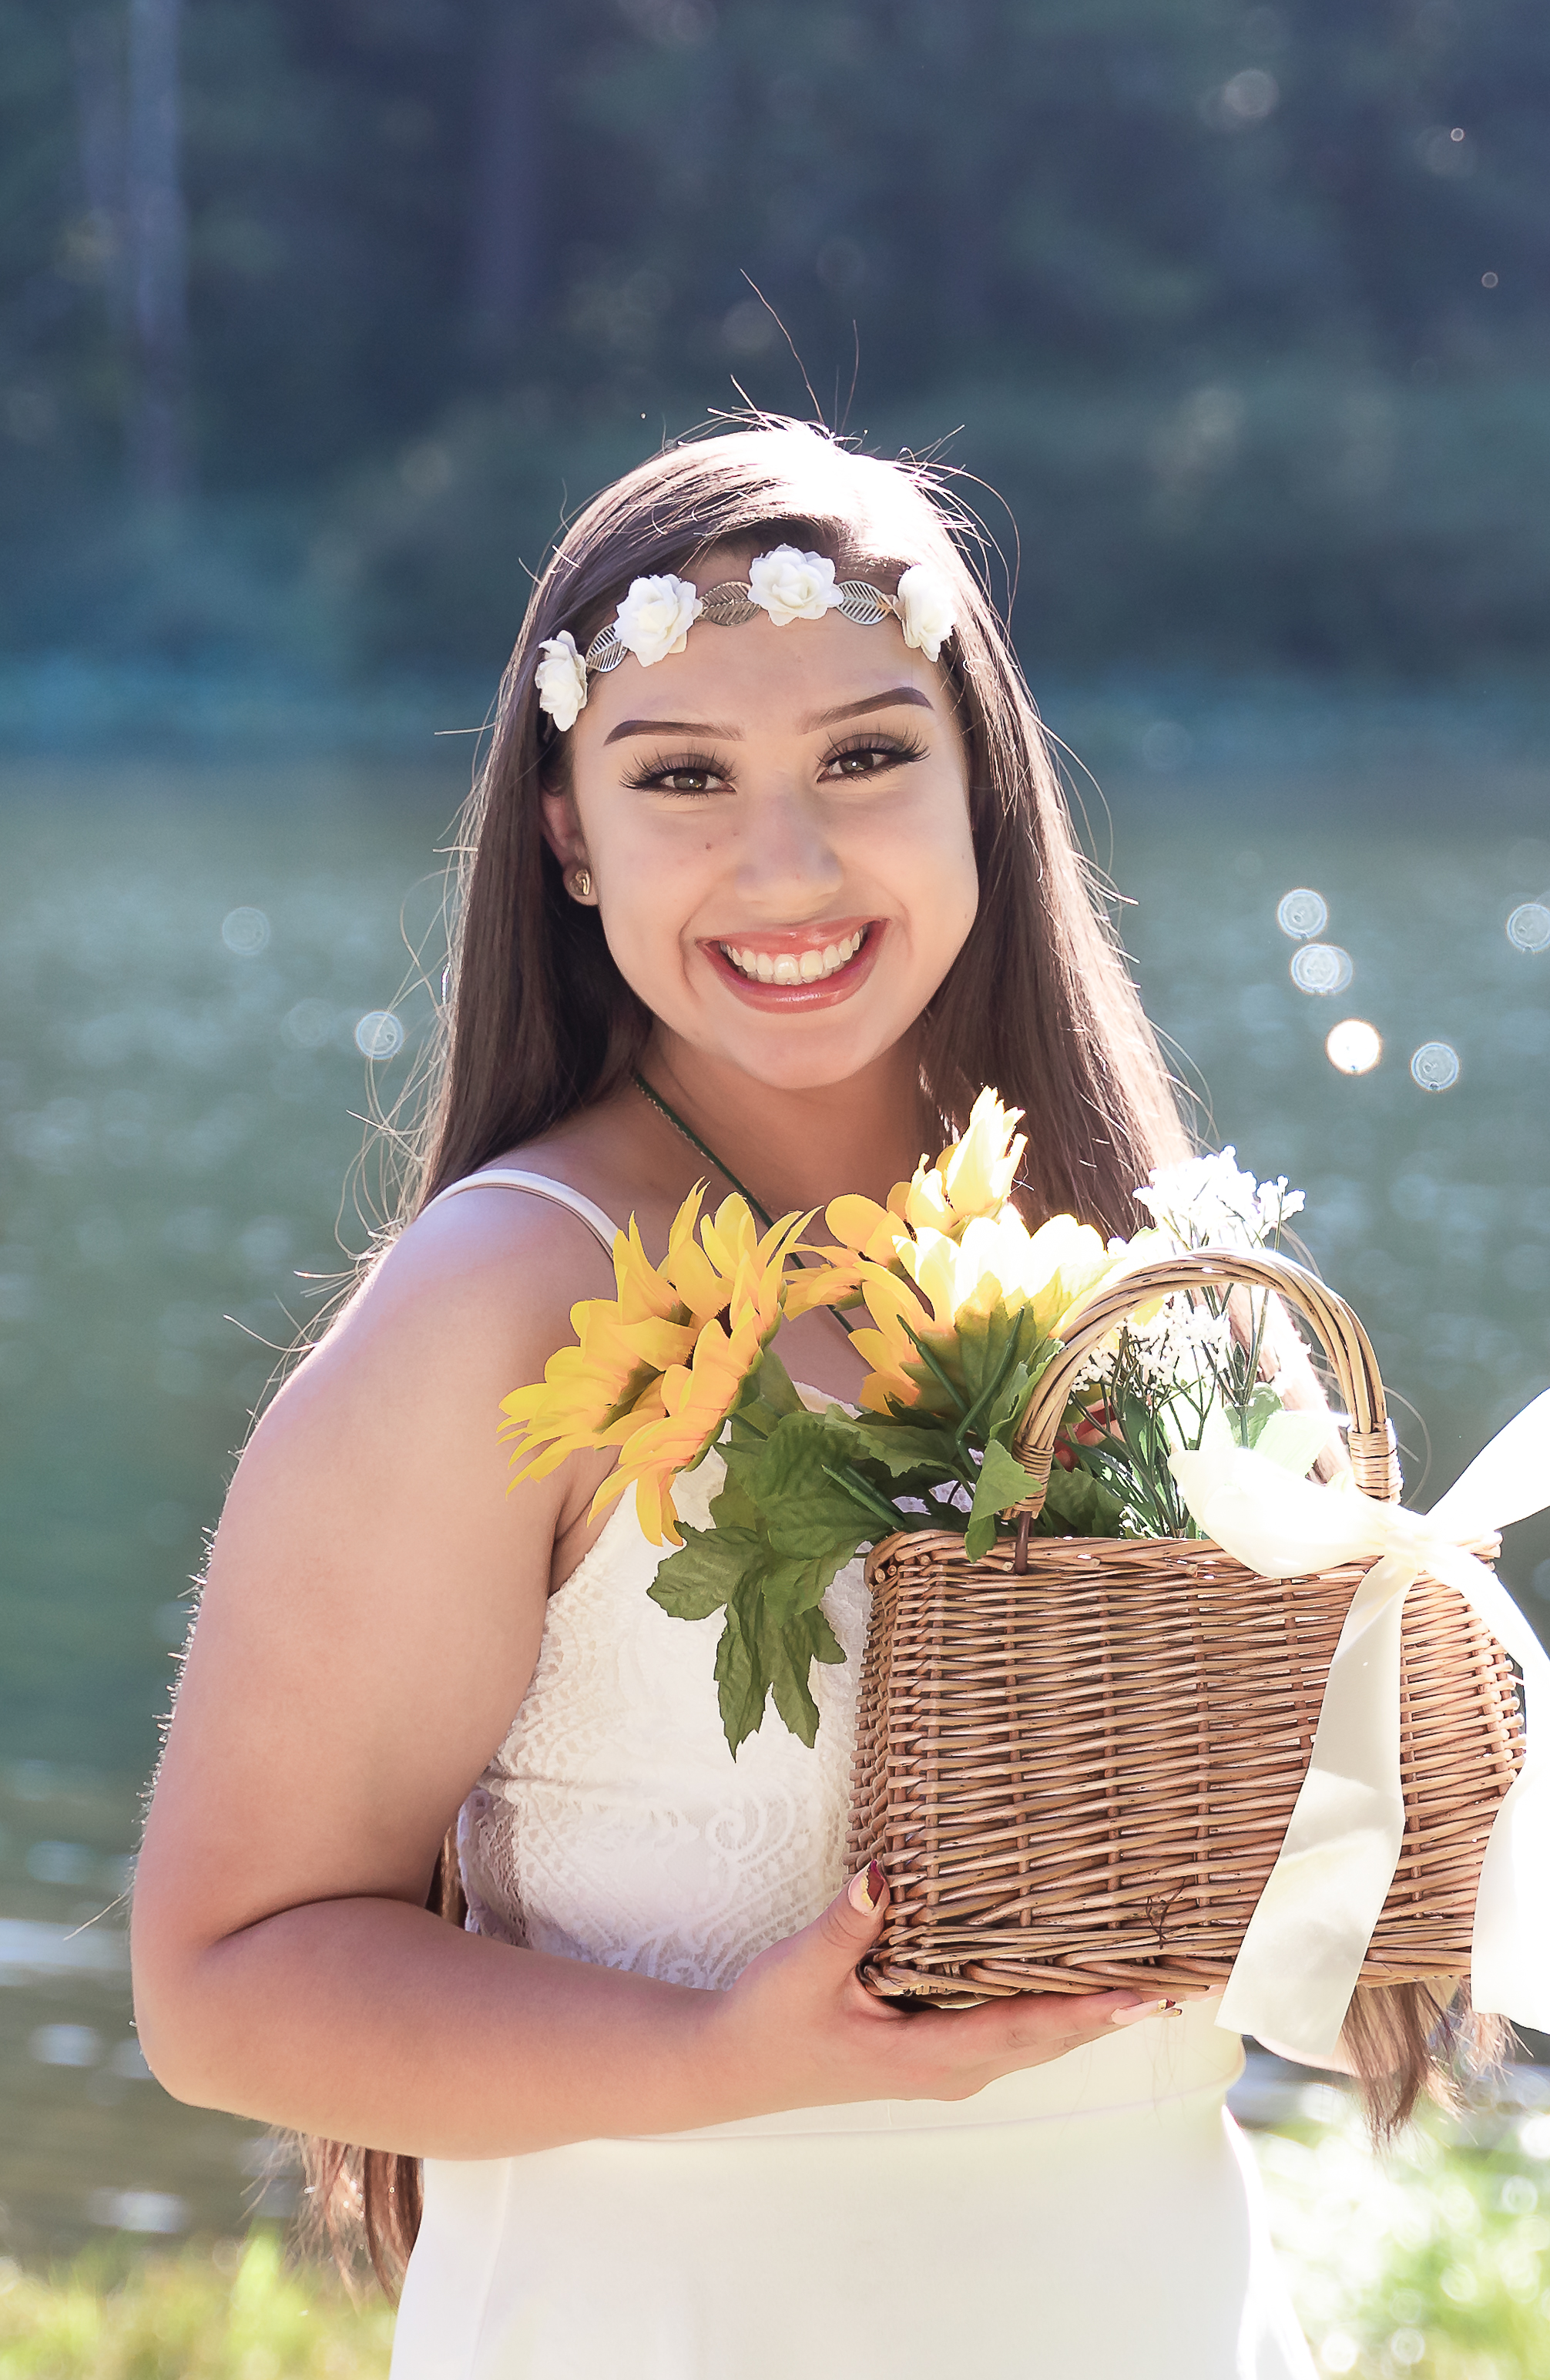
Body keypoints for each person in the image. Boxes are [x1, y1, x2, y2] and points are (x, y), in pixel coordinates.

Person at [130, 418, 1317, 2377]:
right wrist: (712, 2051)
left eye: (866, 757)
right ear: (568, 833)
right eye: (682, 777)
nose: (788, 863)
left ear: (977, 791)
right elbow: (221, 1983)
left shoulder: (1149, 1280)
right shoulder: (506, 1302)